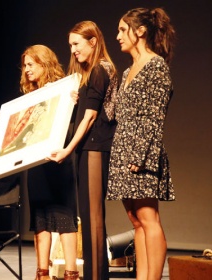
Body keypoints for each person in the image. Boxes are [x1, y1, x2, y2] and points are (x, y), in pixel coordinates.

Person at [106, 7, 176, 280]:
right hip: (123, 151)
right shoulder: (126, 72)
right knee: (136, 221)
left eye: (123, 30)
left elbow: (155, 117)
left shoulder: (155, 66)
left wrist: (140, 156)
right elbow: (114, 113)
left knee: (149, 219)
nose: (118, 36)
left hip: (141, 153)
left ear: (140, 31)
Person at [48, 21, 118, 280]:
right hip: (88, 150)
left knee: (93, 219)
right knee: (88, 219)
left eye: (77, 44)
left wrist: (67, 150)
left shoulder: (101, 69)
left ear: (93, 41)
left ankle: (96, 277)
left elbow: (90, 117)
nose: (73, 50)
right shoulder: (91, 72)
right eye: (70, 45)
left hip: (94, 149)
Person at [16, 44, 80, 280]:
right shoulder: (29, 97)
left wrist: (72, 101)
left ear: (44, 64)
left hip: (60, 162)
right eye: (25, 65)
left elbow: (72, 123)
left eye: (31, 64)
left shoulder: (65, 89)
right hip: (37, 165)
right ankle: (42, 272)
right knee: (40, 219)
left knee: (65, 217)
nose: (27, 70)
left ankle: (71, 273)